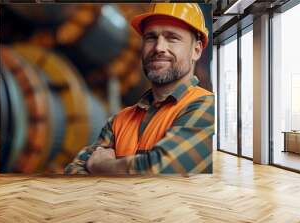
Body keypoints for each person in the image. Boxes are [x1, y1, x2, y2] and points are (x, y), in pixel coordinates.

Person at [64, 3, 214, 175]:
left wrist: (100, 166)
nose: (159, 47)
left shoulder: (207, 107)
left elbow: (159, 169)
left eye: (172, 38)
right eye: (151, 37)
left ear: (196, 50)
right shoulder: (119, 121)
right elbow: (73, 172)